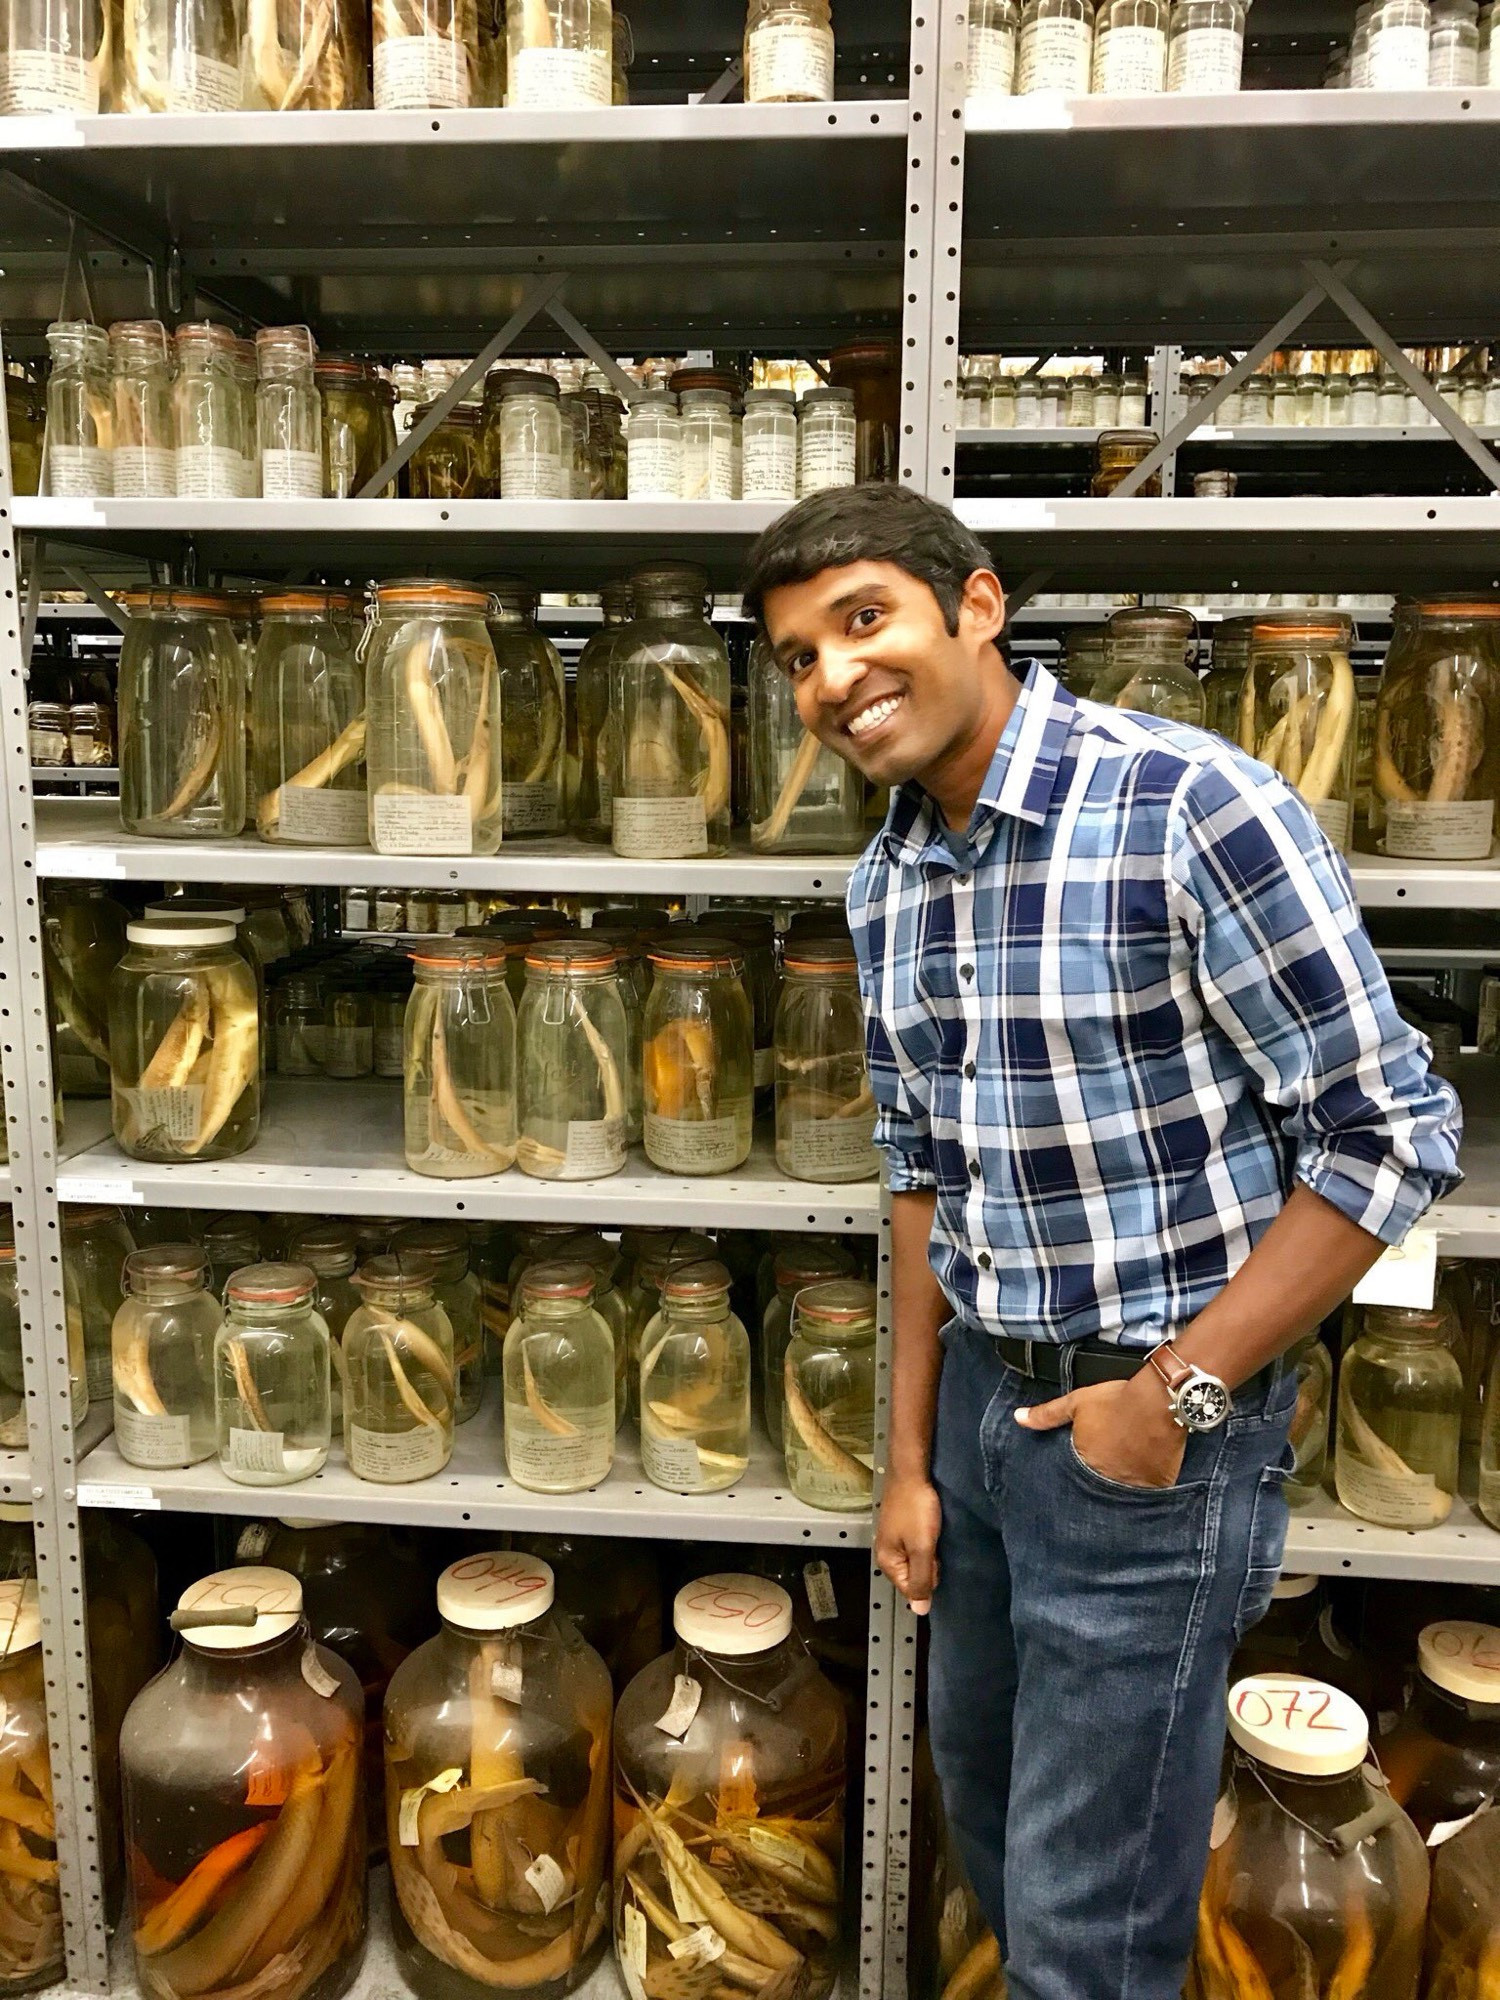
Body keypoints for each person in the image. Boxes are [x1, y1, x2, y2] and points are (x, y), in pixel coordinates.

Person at [741, 486, 1463, 2000]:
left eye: (863, 621)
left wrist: (1175, 1399)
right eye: (797, 655)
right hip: (988, 1418)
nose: (830, 679)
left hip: (1149, 1433)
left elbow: (1391, 1133)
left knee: (1093, 1920)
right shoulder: (891, 876)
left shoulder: (1190, 807)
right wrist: (911, 1463)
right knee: (1002, 1838)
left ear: (979, 608)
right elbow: (924, 1174)